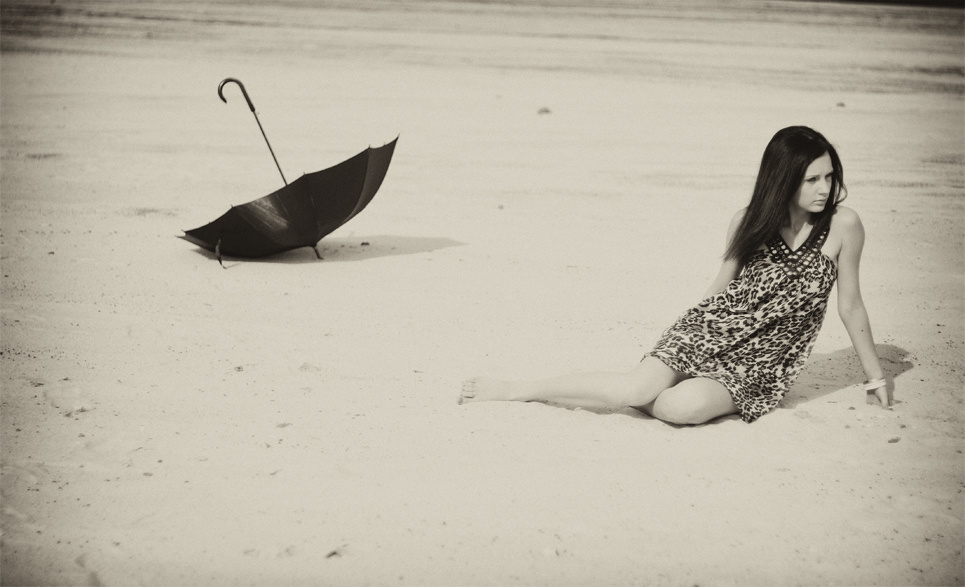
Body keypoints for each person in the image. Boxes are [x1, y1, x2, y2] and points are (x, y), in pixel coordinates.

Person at [459, 126, 893, 424]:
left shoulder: (844, 225)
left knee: (678, 408)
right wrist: (684, 336)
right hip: (711, 330)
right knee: (632, 391)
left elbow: (851, 305)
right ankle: (516, 388)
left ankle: (640, 387)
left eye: (829, 176)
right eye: (812, 179)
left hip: (761, 364)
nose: (824, 188)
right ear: (784, 180)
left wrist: (875, 377)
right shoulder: (749, 221)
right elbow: (720, 288)